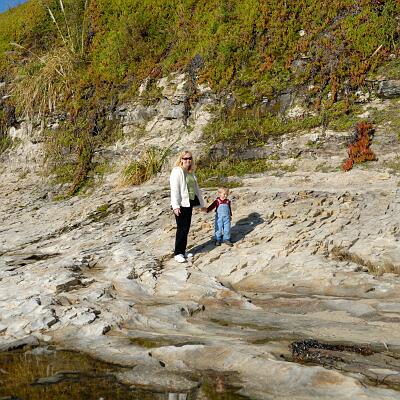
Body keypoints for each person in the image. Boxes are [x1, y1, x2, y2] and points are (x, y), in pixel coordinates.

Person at [170, 150, 205, 263]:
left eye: (189, 158)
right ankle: (178, 253)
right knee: (181, 228)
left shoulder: (190, 172)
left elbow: (196, 189)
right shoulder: (177, 171)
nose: (188, 160)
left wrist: (201, 204)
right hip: (180, 204)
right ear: (181, 159)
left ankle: (183, 251)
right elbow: (174, 190)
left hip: (188, 203)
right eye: (185, 158)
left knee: (186, 228)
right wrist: (175, 206)